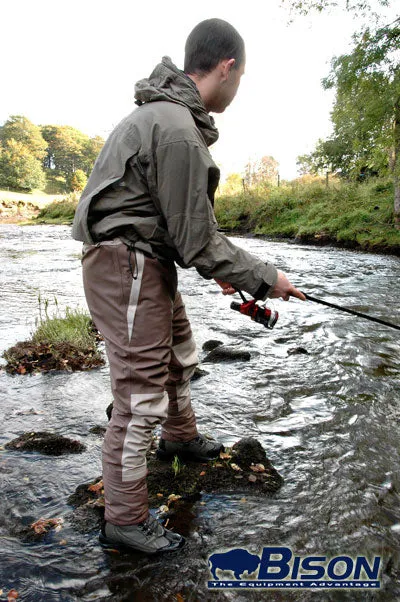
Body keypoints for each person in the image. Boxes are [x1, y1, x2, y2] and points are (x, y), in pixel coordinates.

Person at [72, 18, 305, 554]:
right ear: (227, 68)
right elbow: (199, 241)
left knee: (180, 351)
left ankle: (180, 436)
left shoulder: (167, 118)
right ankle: (125, 519)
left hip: (147, 261)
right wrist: (269, 279)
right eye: (240, 76)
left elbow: (180, 229)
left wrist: (225, 270)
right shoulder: (177, 129)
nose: (238, 87)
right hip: (128, 266)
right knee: (137, 398)